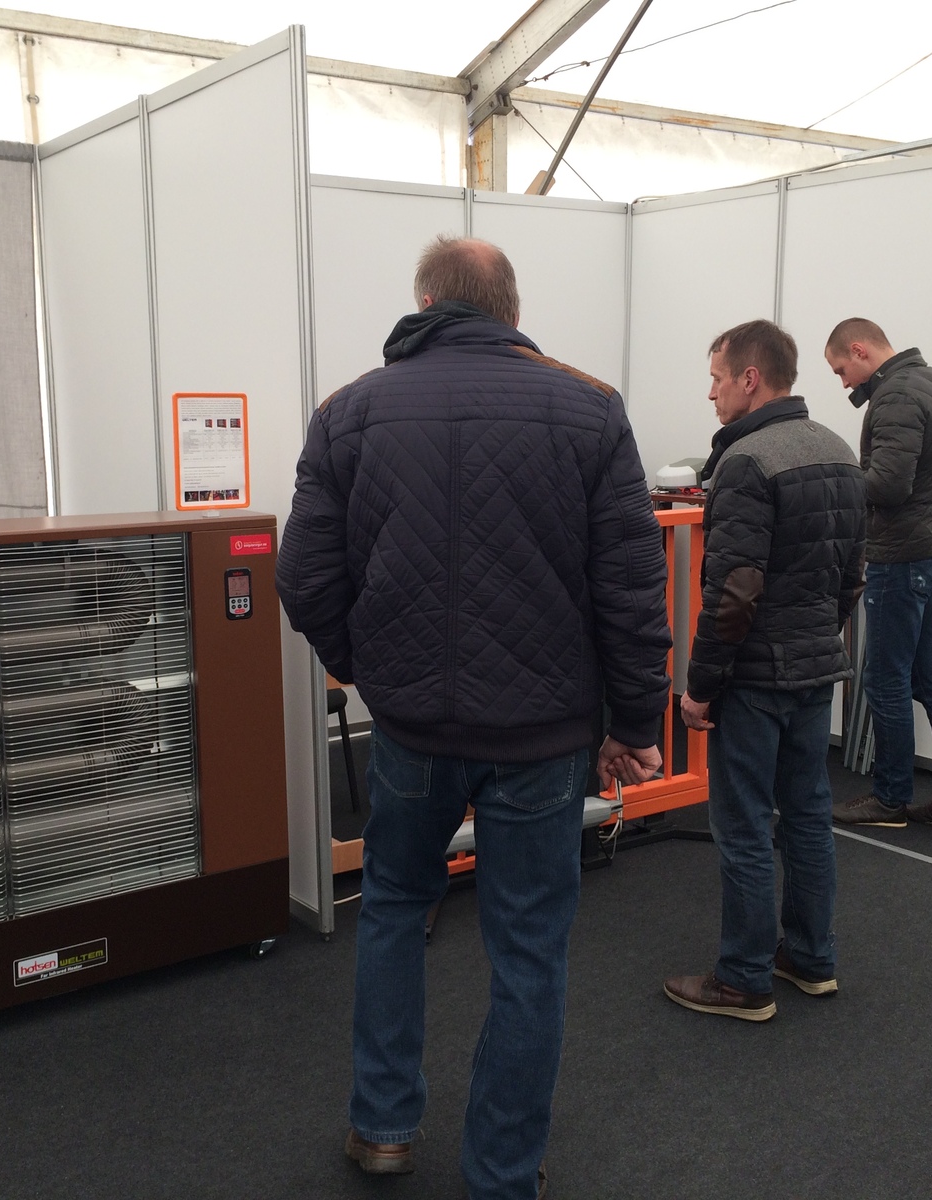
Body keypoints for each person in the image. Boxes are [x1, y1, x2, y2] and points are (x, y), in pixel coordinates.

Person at [276, 236, 672, 1200]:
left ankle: (382, 1128)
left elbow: (303, 576)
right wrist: (633, 722)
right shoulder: (591, 408)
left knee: (393, 910)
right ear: (512, 310)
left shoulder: (349, 412)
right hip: (544, 734)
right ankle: (501, 1171)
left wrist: (366, 668)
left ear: (424, 304)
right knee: (529, 947)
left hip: (412, 727)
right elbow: (630, 589)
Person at [662, 320, 866, 1022]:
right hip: (813, 670)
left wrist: (700, 687)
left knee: (744, 825)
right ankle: (810, 958)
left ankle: (744, 978)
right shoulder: (839, 450)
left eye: (717, 378)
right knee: (807, 817)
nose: (711, 392)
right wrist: (815, 638)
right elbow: (853, 575)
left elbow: (733, 591)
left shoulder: (747, 462)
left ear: (750, 379)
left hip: (754, 680)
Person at [823, 319, 932, 834]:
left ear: (859, 350)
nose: (844, 383)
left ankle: (890, 799)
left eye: (841, 370)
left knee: (885, 680)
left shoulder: (894, 395)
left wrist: (836, 481)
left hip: (904, 556)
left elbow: (888, 486)